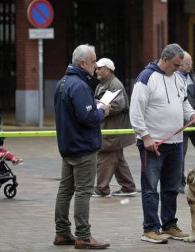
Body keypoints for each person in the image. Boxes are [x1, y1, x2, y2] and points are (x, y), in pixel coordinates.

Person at [130, 43, 195, 244]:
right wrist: (145, 137)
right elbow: (135, 111)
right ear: (164, 59)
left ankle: (169, 225)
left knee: (171, 187)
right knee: (151, 188)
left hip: (176, 142)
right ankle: (150, 229)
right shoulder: (146, 78)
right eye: (176, 64)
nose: (178, 68)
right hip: (153, 145)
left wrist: (193, 116)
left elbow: (184, 103)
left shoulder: (178, 78)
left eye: (180, 65)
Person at [53, 44, 110, 249]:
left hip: (67, 146)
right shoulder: (79, 85)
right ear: (82, 63)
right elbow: (87, 117)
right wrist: (102, 111)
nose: (96, 65)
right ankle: (83, 235)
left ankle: (61, 233)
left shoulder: (62, 83)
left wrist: (90, 102)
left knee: (65, 190)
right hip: (83, 147)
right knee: (83, 192)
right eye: (93, 61)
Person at [91, 58, 137, 198]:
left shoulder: (115, 84)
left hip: (114, 130)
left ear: (109, 70)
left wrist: (101, 108)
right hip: (110, 129)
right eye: (96, 68)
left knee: (105, 156)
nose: (96, 70)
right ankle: (128, 187)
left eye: (100, 68)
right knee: (117, 159)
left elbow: (119, 105)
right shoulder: (103, 84)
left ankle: (102, 189)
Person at [177, 51, 195, 193]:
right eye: (187, 64)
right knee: (180, 153)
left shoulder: (194, 77)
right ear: (180, 64)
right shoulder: (174, 78)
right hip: (181, 124)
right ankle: (180, 182)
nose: (190, 66)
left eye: (191, 63)